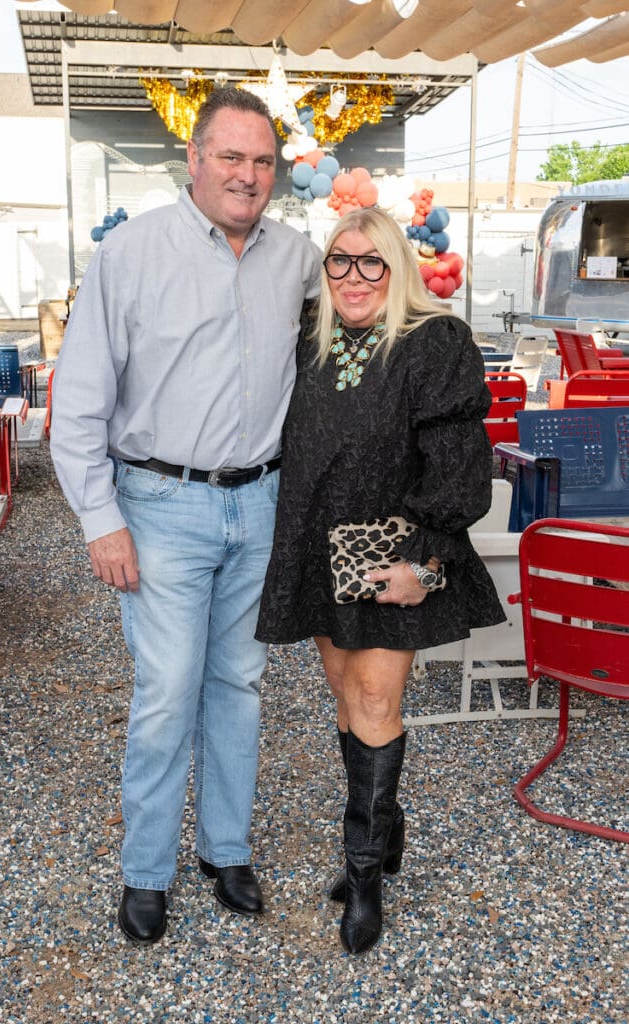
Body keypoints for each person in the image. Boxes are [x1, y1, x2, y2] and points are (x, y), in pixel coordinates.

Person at [50, 86, 321, 945]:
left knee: (238, 683)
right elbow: (78, 401)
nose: (248, 175)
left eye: (263, 161)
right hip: (160, 507)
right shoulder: (131, 253)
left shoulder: (298, 259)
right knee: (168, 691)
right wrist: (100, 518)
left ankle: (225, 851)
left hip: (261, 501)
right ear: (195, 159)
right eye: (231, 156)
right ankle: (146, 871)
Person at [256, 207, 505, 955]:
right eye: (340, 260)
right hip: (318, 552)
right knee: (344, 693)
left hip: (390, 554)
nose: (354, 276)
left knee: (372, 698)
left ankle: (363, 876)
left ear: (397, 268)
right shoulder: (313, 337)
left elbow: (460, 469)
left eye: (372, 262)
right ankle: (384, 833)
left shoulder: (434, 342)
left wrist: (426, 566)